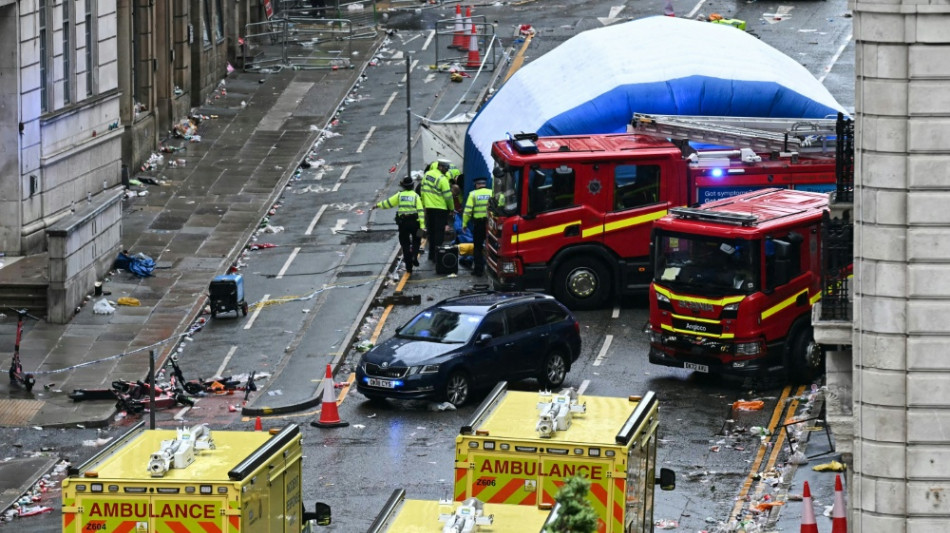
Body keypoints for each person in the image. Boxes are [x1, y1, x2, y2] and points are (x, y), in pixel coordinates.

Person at [373, 176, 425, 274]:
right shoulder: (416, 196)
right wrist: (422, 226)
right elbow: (421, 211)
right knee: (417, 240)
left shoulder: (399, 195)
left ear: (404, 186)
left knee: (405, 244)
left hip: (403, 223)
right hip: (415, 223)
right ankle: (414, 255)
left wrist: (378, 205)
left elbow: (388, 203)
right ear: (413, 186)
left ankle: (409, 267)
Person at [420, 159, 455, 262]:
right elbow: (448, 196)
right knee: (439, 233)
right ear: (440, 167)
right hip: (440, 209)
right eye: (445, 168)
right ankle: (437, 256)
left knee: (431, 232)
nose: (446, 171)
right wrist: (451, 208)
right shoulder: (442, 179)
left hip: (429, 208)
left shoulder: (427, 175)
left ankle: (431, 254)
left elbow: (423, 189)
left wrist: (424, 204)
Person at [463, 177, 493, 276]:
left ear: (476, 185)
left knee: (478, 247)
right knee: (492, 246)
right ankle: (492, 268)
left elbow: (467, 211)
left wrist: (464, 224)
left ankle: (478, 270)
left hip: (478, 224)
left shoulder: (473, 194)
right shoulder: (491, 193)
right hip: (490, 224)